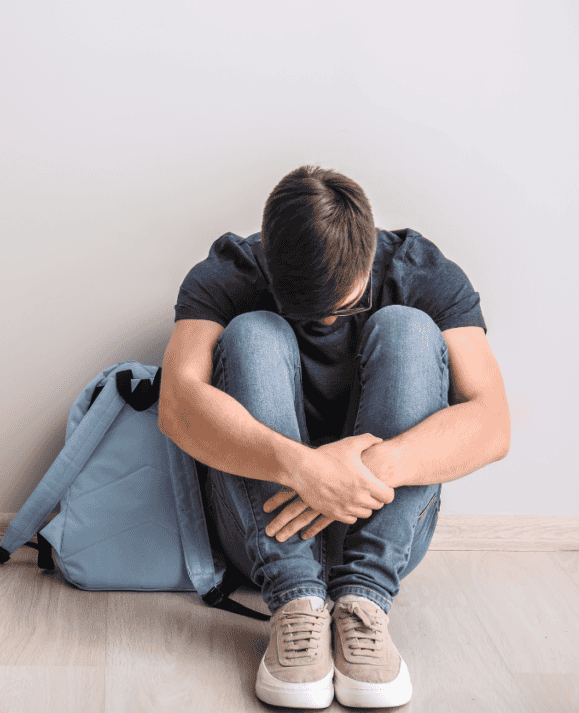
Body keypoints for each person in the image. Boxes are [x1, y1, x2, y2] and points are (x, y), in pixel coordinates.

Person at [158, 165, 510, 709]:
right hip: (262, 535)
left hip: (380, 534)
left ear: (369, 255)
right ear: (268, 263)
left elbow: (492, 423)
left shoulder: (422, 271)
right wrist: (302, 468)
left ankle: (363, 604)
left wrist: (367, 470)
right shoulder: (230, 270)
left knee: (408, 328)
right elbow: (177, 407)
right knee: (253, 331)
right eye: (307, 312)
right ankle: (296, 605)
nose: (325, 321)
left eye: (344, 308)